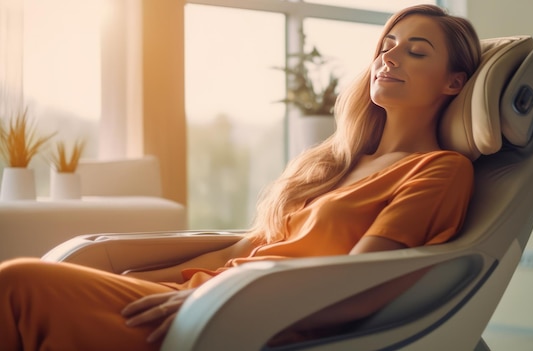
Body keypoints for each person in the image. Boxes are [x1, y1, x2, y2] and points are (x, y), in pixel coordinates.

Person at [0, 4, 481, 350]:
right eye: (386, 45)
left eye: (416, 52)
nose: (389, 57)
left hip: (244, 318)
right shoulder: (339, 163)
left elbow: (358, 283)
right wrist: (137, 278)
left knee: (16, 283)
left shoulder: (439, 170)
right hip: (206, 296)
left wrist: (217, 302)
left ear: (453, 82)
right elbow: (240, 251)